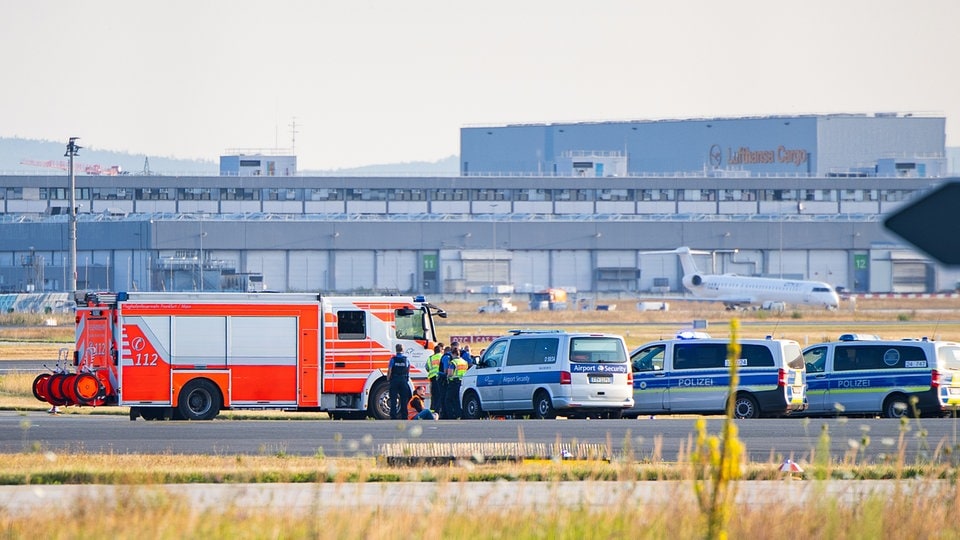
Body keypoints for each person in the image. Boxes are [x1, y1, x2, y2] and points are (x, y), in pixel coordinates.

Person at [385, 343, 411, 420]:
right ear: (403, 349)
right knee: (404, 399)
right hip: (403, 380)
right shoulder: (406, 359)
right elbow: (408, 369)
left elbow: (390, 370)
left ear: (396, 350)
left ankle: (393, 416)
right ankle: (404, 416)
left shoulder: (393, 359)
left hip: (395, 379)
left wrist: (388, 378)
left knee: (393, 398)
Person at [445, 343, 470, 419]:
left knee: (448, 400)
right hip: (462, 383)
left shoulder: (453, 362)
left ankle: (451, 416)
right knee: (458, 400)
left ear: (453, 354)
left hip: (453, 383)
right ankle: (459, 415)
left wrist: (446, 376)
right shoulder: (464, 362)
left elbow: (450, 374)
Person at [427, 344, 444, 417]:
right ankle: (438, 412)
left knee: (433, 396)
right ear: (440, 350)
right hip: (439, 378)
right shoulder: (441, 356)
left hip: (432, 378)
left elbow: (427, 368)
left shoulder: (430, 358)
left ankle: (432, 412)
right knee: (439, 395)